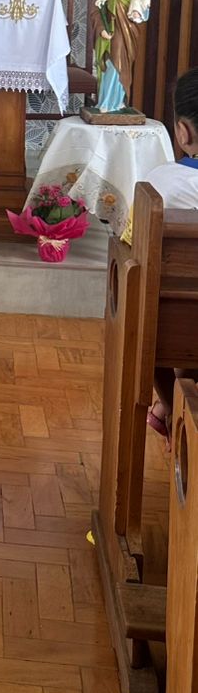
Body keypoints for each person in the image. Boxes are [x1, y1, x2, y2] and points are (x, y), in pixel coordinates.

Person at [143, 67, 198, 442]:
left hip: (175, 326)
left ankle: (171, 407)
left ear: (182, 132)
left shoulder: (160, 183)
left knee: (152, 312)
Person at [92, 0, 150, 112]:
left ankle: (118, 102)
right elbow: (96, 10)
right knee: (112, 64)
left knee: (124, 66)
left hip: (129, 32)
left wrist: (140, 10)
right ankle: (106, 102)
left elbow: (144, 5)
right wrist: (101, 29)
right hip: (113, 30)